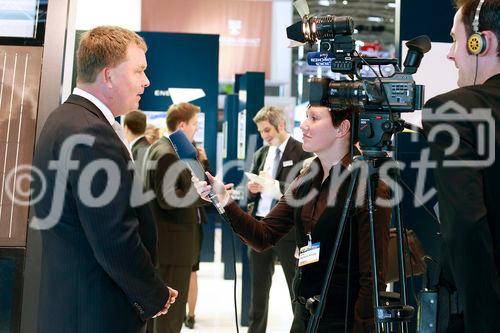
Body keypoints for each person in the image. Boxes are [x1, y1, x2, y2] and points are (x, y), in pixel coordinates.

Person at [193, 105, 391, 332]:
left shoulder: (368, 186)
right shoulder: (307, 176)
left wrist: (363, 326)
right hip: (305, 311)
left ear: (342, 128)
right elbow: (263, 235)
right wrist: (224, 200)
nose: (303, 125)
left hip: (342, 319)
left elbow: (372, 276)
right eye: (306, 117)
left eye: (314, 118)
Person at [31, 26, 177, 333]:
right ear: (108, 76)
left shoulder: (65, 119)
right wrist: (154, 294)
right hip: (96, 313)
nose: (146, 81)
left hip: (74, 305)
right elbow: (114, 238)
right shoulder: (91, 132)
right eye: (139, 71)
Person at [422, 0, 500, 331]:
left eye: (456, 40)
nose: (451, 54)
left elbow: (467, 226)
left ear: (481, 42)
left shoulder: (454, 111)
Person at [245, 106, 313, 333]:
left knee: (297, 289)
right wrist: (252, 189)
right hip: (260, 227)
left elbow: (304, 192)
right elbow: (249, 195)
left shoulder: (303, 152)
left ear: (281, 125)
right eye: (261, 132)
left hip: (288, 233)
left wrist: (275, 187)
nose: (264, 136)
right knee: (258, 291)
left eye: (267, 130)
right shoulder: (261, 154)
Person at [143, 102, 209, 333]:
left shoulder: (162, 148)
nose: (195, 129)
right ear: (182, 125)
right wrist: (202, 193)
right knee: (169, 319)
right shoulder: (166, 154)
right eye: (194, 124)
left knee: (161, 317)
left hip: (168, 246)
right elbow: (168, 198)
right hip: (172, 248)